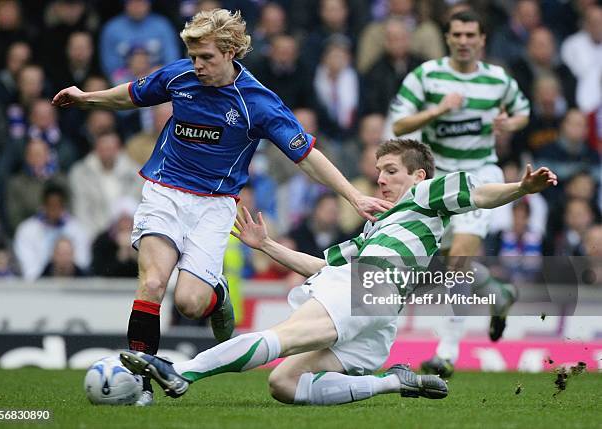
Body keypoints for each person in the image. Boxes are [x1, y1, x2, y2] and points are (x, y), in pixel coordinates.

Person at [52, 8, 391, 406]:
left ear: (231, 52)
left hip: (214, 206)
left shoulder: (258, 103)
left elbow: (307, 155)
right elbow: (132, 94)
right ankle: (139, 387)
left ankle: (216, 292)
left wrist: (353, 195)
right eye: (194, 57)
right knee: (154, 283)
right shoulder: (179, 76)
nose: (198, 66)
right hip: (164, 191)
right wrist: (87, 98)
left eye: (207, 58)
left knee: (190, 303)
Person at [120, 138, 557, 406]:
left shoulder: (425, 193)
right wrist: (268, 246)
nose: (380, 179)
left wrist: (520, 188)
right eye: (378, 171)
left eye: (390, 171)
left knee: (282, 338)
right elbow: (325, 267)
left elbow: (479, 194)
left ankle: (181, 371)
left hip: (370, 288)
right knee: (283, 384)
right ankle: (391, 383)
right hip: (377, 308)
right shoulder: (379, 223)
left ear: (418, 174)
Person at [388, 10, 530, 377]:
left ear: (482, 39)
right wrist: (438, 109)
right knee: (446, 263)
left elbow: (523, 112)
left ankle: (447, 353)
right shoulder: (426, 76)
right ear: (447, 38)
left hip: (481, 174)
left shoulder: (498, 80)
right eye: (457, 35)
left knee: (461, 257)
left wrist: (507, 123)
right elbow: (398, 123)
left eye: (471, 34)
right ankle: (499, 295)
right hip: (437, 178)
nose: (464, 41)